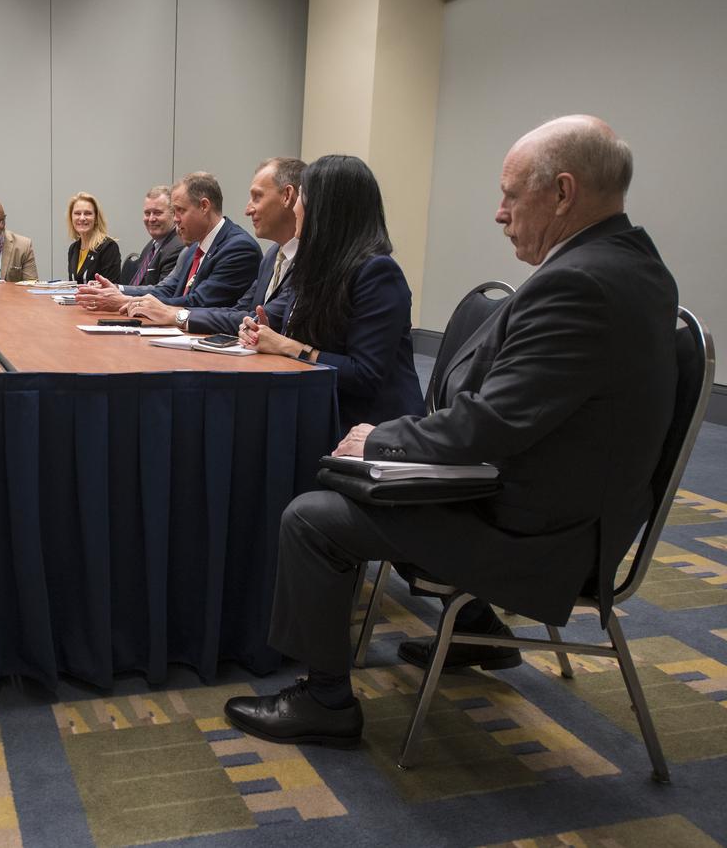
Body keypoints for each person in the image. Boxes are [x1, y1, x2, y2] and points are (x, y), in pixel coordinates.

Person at [223, 115, 678, 750]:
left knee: (315, 514)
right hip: (558, 502)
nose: (499, 213)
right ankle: (481, 634)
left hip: (536, 534)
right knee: (358, 477)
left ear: (564, 192)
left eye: (510, 195)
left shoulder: (582, 283)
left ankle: (324, 699)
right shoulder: (630, 265)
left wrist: (380, 443)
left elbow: (491, 424)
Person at [236, 155, 424, 431]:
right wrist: (266, 333)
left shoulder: (378, 273)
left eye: (301, 198)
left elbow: (364, 376)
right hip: (322, 409)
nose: (295, 208)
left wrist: (286, 346)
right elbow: (314, 342)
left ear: (325, 209)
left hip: (370, 428)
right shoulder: (315, 266)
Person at [123, 158, 304, 335]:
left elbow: (255, 318)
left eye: (257, 197)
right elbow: (240, 311)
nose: (247, 209)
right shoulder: (272, 255)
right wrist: (129, 298)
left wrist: (177, 315)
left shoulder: (241, 248)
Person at [75, 172, 260, 314]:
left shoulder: (239, 248)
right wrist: (118, 290)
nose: (176, 219)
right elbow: (167, 289)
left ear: (204, 206)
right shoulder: (193, 249)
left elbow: (199, 303)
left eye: (179, 210)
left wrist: (125, 302)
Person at [126, 185, 183, 286]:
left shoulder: (178, 248)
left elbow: (161, 294)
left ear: (173, 213)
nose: (151, 219)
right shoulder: (151, 246)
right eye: (147, 213)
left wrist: (120, 292)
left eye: (157, 213)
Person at [66, 192, 121, 283]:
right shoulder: (73, 248)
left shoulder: (108, 247)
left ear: (96, 218)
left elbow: (110, 290)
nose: (82, 218)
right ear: (71, 218)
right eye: (77, 213)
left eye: (88, 213)